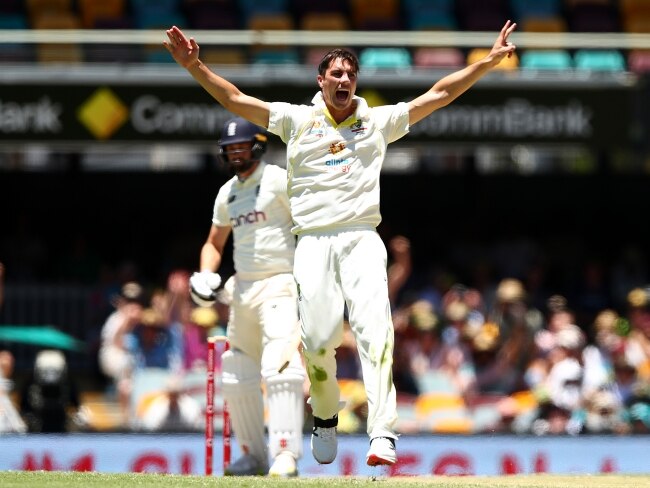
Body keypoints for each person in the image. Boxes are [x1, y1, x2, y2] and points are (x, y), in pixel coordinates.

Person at [165, 20, 517, 467]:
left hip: (362, 239)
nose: (344, 80)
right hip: (311, 242)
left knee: (376, 333)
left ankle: (383, 432)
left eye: (350, 74)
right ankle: (326, 417)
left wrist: (484, 63)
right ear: (321, 81)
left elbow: (439, 95)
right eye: (336, 74)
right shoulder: (296, 121)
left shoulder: (376, 122)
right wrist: (195, 67)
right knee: (316, 340)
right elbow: (236, 100)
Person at [187, 116, 305, 477]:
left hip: (281, 282)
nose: (236, 152)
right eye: (230, 147)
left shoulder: (280, 180)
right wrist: (207, 273)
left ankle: (285, 454)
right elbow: (213, 242)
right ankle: (253, 456)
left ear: (257, 144)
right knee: (237, 372)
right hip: (243, 289)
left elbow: (310, 227)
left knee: (280, 366)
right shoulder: (227, 193)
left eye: (241, 145)